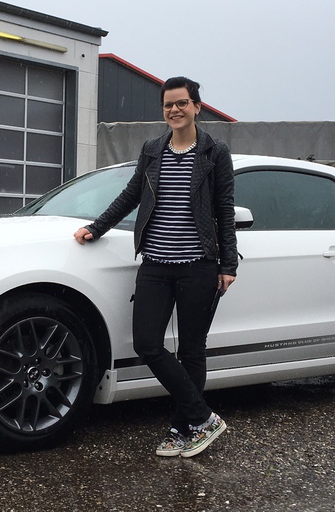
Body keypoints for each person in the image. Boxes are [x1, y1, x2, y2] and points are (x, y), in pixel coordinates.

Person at [74, 76, 238, 458]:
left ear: (197, 107)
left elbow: (224, 209)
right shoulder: (152, 150)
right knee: (147, 343)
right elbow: (131, 195)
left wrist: (228, 263)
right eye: (168, 105)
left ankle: (183, 429)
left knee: (192, 350)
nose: (174, 110)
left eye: (182, 103)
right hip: (155, 264)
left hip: (198, 265)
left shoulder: (215, 152)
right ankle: (203, 417)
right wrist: (96, 227)